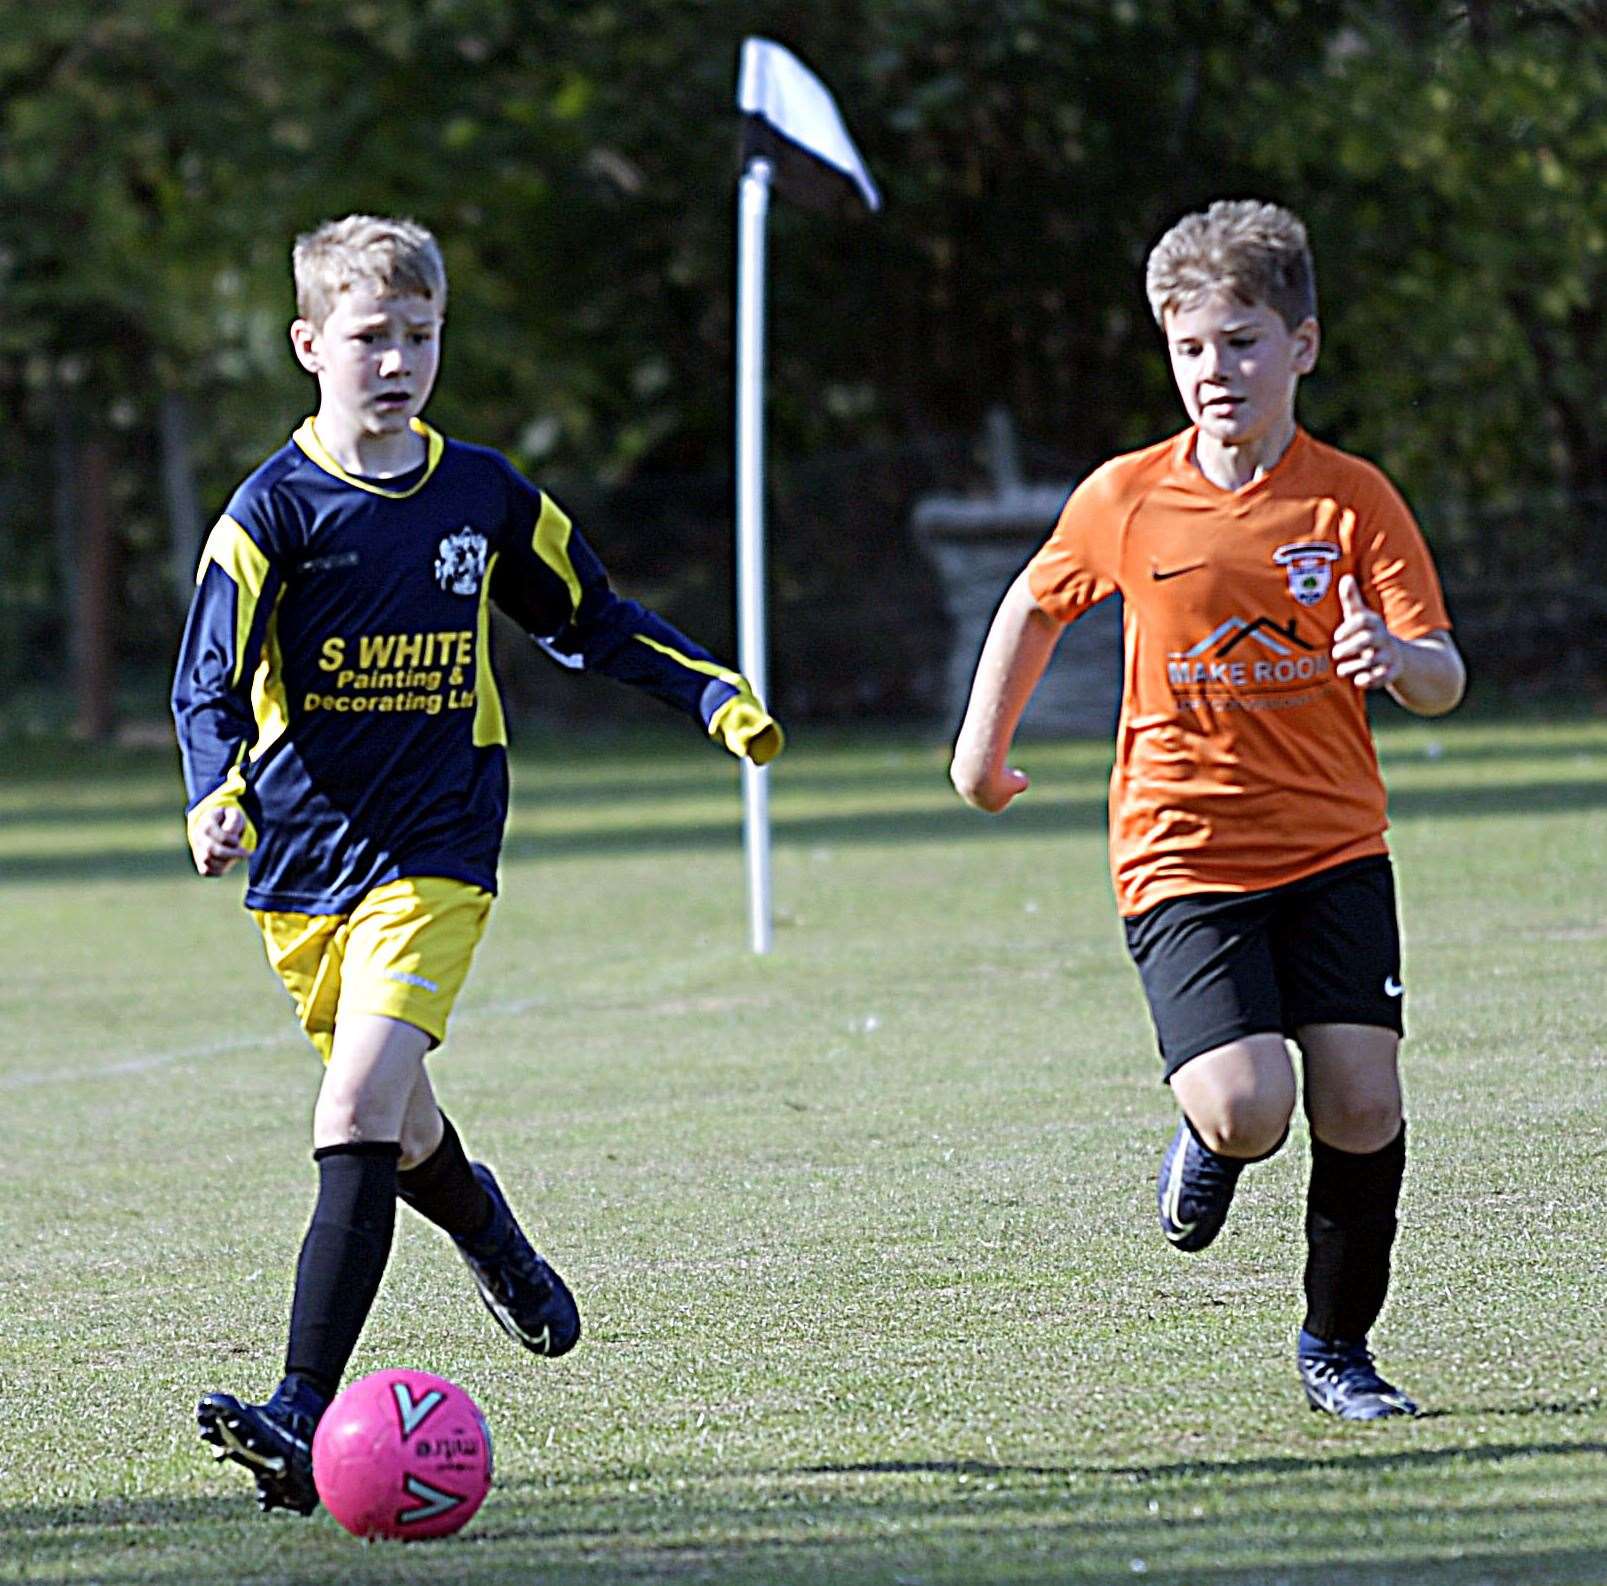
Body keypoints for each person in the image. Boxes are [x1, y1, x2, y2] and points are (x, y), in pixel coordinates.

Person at [172, 214, 782, 1513]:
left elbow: (591, 619)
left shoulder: (482, 493)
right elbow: (206, 683)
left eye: (419, 335)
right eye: (368, 336)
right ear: (307, 345)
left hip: (438, 851)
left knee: (350, 1115)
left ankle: (297, 1404)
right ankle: (489, 1232)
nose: (395, 360)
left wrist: (709, 696)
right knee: (393, 1125)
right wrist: (216, 794)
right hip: (301, 873)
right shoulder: (270, 512)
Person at [949, 199, 1465, 1421]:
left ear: (1301, 344)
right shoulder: (1128, 497)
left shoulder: (1350, 502)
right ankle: (1211, 1136)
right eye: (1189, 347)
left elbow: (1443, 679)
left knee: (1360, 1099)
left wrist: (1392, 652)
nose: (1213, 371)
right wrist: (980, 756)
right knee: (1250, 1110)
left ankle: (1336, 1348)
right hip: (1183, 853)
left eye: (1239, 340)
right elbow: (1034, 605)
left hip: (1335, 847)